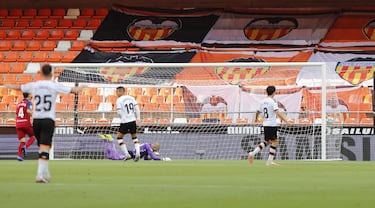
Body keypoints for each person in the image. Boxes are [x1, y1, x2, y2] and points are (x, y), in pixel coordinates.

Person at [5, 64, 87, 183]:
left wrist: (8, 85)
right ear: (52, 73)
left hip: (36, 120)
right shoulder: (54, 85)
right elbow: (73, 90)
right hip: (48, 119)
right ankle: (39, 175)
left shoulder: (35, 85)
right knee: (45, 146)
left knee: (43, 147)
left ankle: (46, 172)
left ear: (41, 73)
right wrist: (83, 86)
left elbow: (20, 88)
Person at [248, 86, 292, 166]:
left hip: (265, 124)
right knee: (275, 141)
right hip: (272, 124)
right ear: (274, 92)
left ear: (267, 92)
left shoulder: (263, 101)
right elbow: (277, 112)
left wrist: (256, 119)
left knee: (268, 141)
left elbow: (257, 111)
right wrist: (286, 120)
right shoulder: (273, 101)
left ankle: (253, 153)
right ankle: (269, 161)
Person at [115, 86, 142, 161]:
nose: (116, 93)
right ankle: (138, 153)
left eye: (117, 92)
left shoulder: (119, 100)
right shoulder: (131, 98)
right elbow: (137, 109)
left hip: (125, 121)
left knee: (119, 138)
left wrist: (123, 118)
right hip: (133, 120)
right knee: (134, 137)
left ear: (121, 92)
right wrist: (138, 118)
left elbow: (119, 112)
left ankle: (127, 154)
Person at [98, 134, 170, 161]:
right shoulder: (148, 146)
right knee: (112, 156)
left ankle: (106, 140)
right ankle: (110, 140)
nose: (154, 152)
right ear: (154, 147)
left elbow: (145, 158)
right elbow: (154, 157)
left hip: (131, 155)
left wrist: (150, 157)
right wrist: (163, 159)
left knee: (109, 156)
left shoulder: (147, 148)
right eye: (155, 150)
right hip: (130, 154)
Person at [15, 92, 36, 161]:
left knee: (22, 141)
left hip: (18, 123)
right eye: (31, 94)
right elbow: (28, 111)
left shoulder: (19, 104)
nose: (32, 95)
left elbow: (17, 114)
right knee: (33, 137)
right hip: (25, 123)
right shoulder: (28, 102)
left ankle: (19, 156)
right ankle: (25, 147)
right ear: (29, 95)